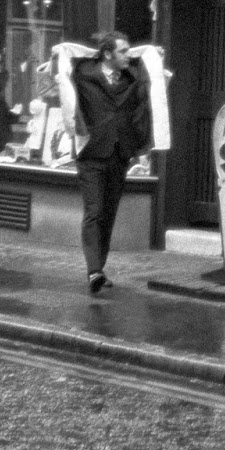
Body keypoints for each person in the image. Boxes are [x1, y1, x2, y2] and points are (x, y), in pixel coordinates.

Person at [73, 31, 153, 293]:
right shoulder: (85, 76)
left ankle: (99, 269)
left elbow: (149, 73)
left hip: (119, 155)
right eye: (122, 51)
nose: (128, 55)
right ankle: (93, 270)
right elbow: (63, 67)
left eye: (130, 50)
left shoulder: (132, 78)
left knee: (108, 213)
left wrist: (154, 57)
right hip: (92, 155)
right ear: (107, 54)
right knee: (94, 211)